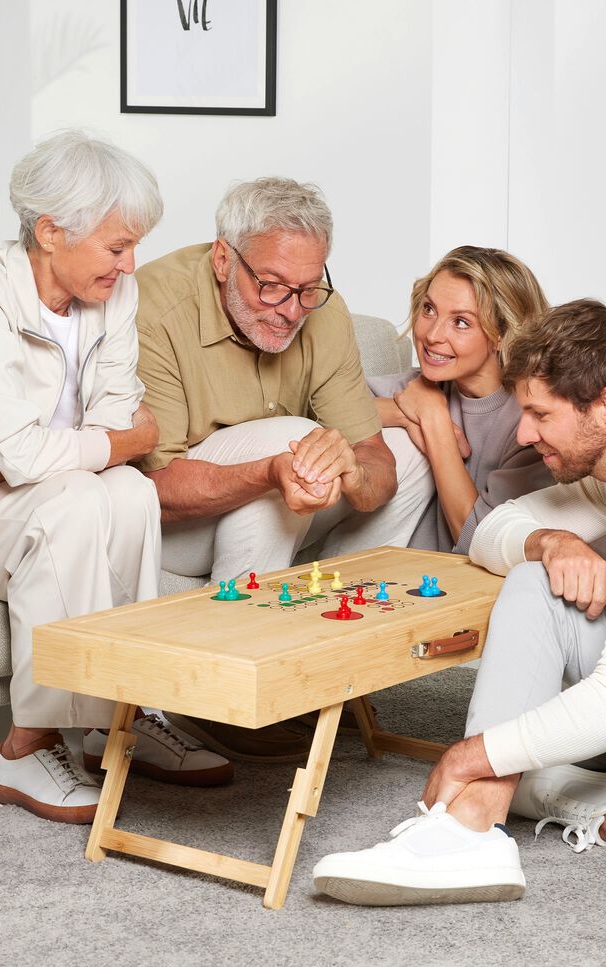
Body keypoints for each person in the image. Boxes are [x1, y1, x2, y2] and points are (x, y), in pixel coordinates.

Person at [0, 130, 231, 826]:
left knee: (126, 493)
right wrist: (3, 468)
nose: (132, 265)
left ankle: (120, 718)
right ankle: (26, 744)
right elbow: (38, 448)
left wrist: (19, 463)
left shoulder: (111, 297)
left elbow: (116, 443)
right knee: (75, 495)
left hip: (15, 496)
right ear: (49, 230)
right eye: (117, 246)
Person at [312, 298, 606, 905]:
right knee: (537, 575)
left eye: (539, 413)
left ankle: (592, 816)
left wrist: (468, 757)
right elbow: (488, 534)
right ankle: (473, 829)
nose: (523, 432)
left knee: (517, 768)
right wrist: (553, 539)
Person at [134, 176, 436, 761]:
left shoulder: (324, 311)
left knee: (409, 454)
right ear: (224, 258)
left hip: (283, 501)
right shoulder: (155, 306)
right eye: (271, 287)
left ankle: (326, 663)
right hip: (171, 524)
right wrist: (277, 469)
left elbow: (374, 463)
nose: (291, 310)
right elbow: (156, 492)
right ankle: (222, 691)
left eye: (307, 289)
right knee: (296, 440)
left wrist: (349, 467)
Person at [367, 245, 553, 554]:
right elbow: (319, 417)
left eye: (461, 322)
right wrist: (405, 413)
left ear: (502, 335)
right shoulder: (420, 388)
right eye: (429, 309)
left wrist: (436, 422)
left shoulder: (531, 424)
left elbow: (478, 542)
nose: (432, 334)